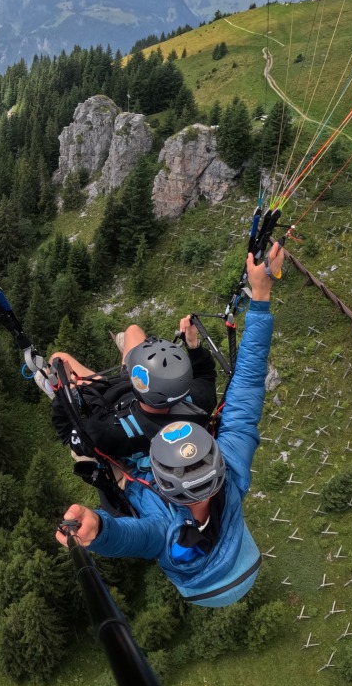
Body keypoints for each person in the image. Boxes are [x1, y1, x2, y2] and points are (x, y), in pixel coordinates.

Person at [55, 242, 284, 607]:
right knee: (65, 365)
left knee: (68, 367)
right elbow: (249, 386)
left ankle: (123, 359)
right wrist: (260, 296)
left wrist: (98, 530)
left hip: (122, 460)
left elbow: (129, 536)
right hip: (128, 435)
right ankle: (120, 363)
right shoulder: (232, 473)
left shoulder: (172, 526)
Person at [47, 315, 218, 466]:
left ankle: (50, 381)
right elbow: (205, 373)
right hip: (133, 393)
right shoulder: (200, 399)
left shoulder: (107, 433)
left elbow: (69, 435)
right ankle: (127, 355)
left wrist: (60, 393)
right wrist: (192, 342)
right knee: (133, 330)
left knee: (58, 358)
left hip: (106, 400)